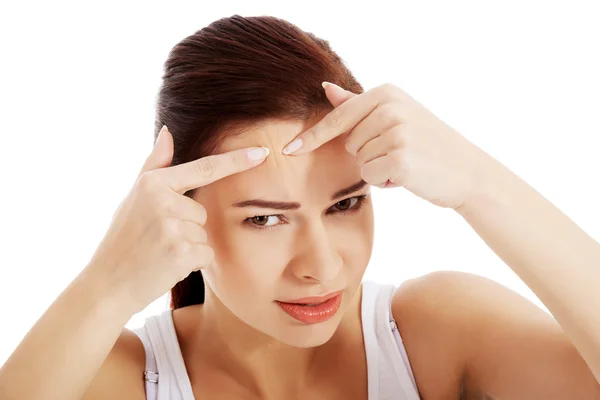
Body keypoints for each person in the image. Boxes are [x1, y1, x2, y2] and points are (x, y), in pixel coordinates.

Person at [0, 14, 599, 400]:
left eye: (345, 204)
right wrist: (107, 283)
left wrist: (480, 183)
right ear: (178, 212)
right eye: (265, 218)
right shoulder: (126, 377)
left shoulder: (432, 331)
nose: (322, 266)